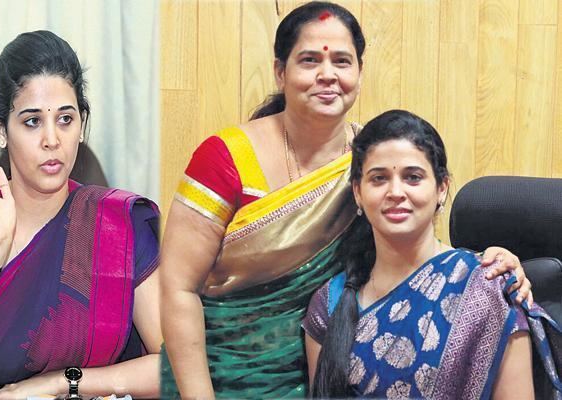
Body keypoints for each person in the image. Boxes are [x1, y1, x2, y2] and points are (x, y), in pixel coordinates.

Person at [159, 2, 532, 398]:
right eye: (308, 60)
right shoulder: (226, 158)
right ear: (280, 71)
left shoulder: (370, 161)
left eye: (342, 60)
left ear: (358, 72)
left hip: (330, 369)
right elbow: (178, 288)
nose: (327, 75)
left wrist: (487, 268)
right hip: (218, 375)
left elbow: (410, 260)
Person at [0, 31, 161, 399]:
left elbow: (177, 364)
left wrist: (60, 383)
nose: (52, 139)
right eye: (32, 121)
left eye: (65, 119)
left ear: (81, 126)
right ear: (2, 130)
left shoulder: (120, 224)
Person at [304, 109, 562, 399]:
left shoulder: (488, 288)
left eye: (413, 177)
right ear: (357, 192)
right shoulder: (330, 304)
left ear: (441, 188)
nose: (396, 191)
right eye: (378, 179)